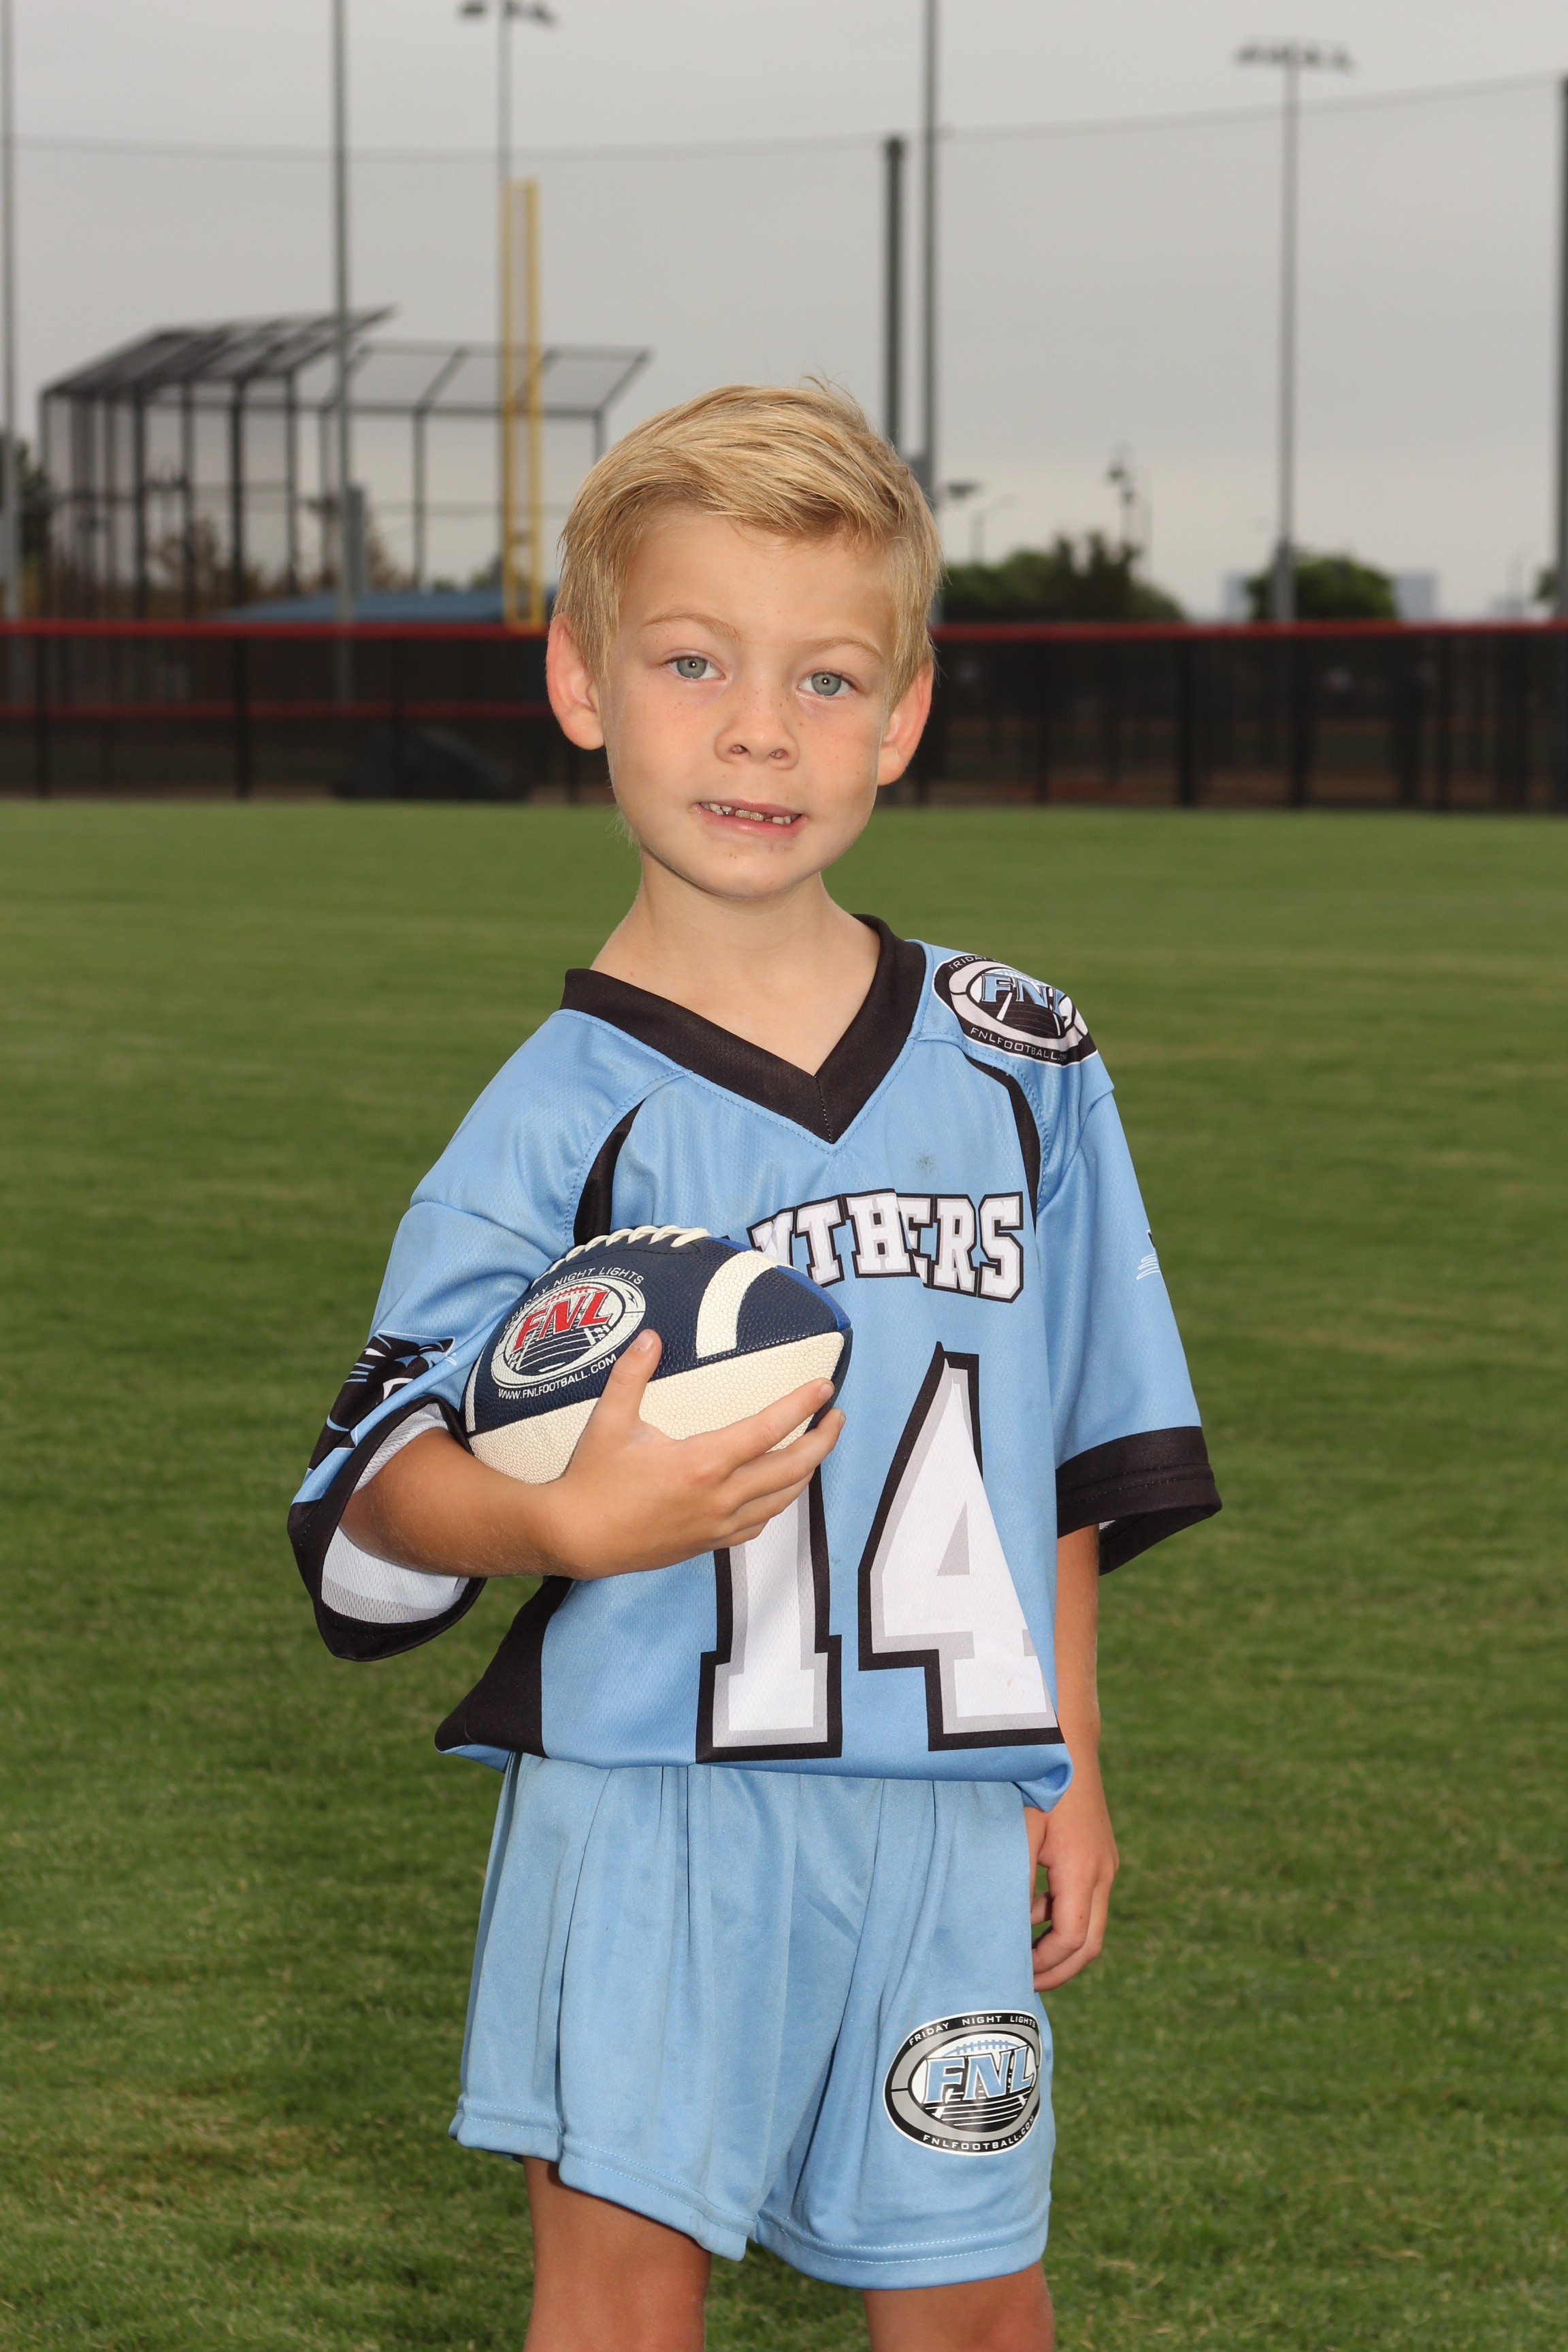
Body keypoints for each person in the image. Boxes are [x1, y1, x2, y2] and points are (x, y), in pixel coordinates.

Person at [288, 382, 1220, 2352]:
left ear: (903, 717)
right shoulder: (557, 1124)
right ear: (582, 682)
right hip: (653, 1806)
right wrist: (572, 1518)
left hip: (945, 1815)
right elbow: (376, 1491)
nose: (758, 732)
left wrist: (1068, 1765)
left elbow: (1064, 1450)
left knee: (978, 2305)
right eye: (694, 662)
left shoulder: (1024, 1061)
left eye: (826, 679)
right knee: (622, 2306)